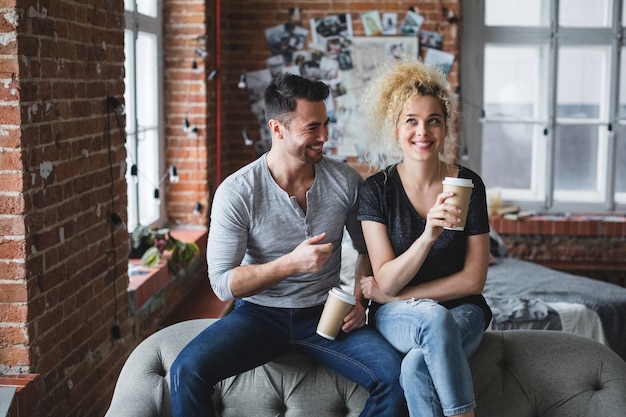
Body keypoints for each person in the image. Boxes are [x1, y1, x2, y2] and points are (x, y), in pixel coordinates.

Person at [169, 73, 408, 417]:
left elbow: (367, 249)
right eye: (312, 128)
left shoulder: (345, 181)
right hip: (257, 314)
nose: (324, 137)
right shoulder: (237, 192)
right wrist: (291, 264)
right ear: (277, 129)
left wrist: (357, 300)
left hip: (325, 314)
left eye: (326, 125)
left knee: (396, 377)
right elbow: (222, 284)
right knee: (186, 371)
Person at [356, 57, 493, 417]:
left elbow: (474, 278)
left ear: (446, 127)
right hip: (396, 316)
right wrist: (428, 235)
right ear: (395, 129)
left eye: (434, 121)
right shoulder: (377, 191)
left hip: (464, 312)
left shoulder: (468, 185)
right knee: (432, 318)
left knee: (416, 366)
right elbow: (385, 276)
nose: (423, 132)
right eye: (411, 121)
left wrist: (401, 294)